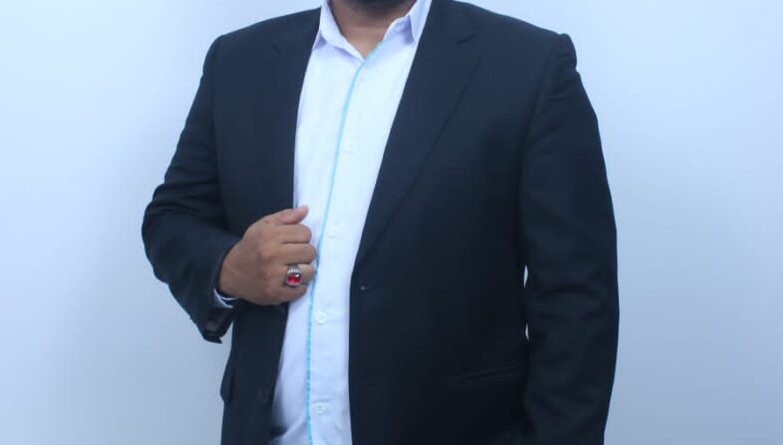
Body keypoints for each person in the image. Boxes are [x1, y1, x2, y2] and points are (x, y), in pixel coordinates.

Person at [141, 0, 619, 444]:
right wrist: (229, 269)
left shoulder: (529, 66)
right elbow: (174, 217)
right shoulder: (239, 60)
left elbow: (576, 295)